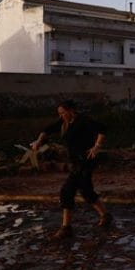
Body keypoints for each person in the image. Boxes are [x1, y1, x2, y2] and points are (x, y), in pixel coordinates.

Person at [31, 100, 113, 240]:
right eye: (59, 113)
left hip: (85, 161)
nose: (61, 115)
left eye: (63, 112)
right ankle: (105, 215)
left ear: (71, 110)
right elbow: (47, 129)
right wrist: (39, 141)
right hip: (75, 161)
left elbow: (102, 129)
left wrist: (97, 146)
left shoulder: (83, 120)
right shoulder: (64, 122)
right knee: (86, 191)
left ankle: (66, 228)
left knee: (67, 191)